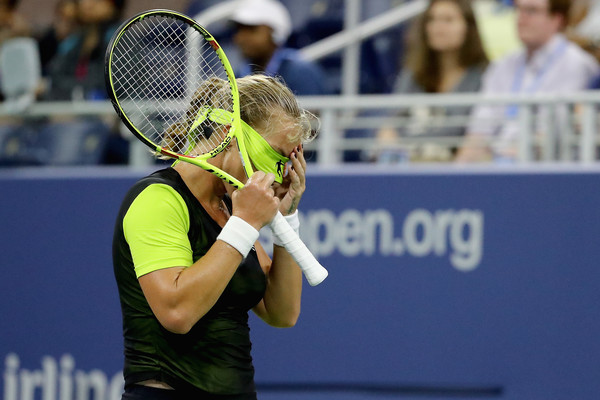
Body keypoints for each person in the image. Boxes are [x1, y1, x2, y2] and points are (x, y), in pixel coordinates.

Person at [113, 74, 316, 399]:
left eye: (288, 161)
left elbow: (282, 313)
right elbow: (177, 313)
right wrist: (245, 223)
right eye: (276, 155)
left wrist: (288, 215)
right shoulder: (157, 199)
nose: (282, 173)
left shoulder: (230, 209)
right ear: (229, 135)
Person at [457, 0, 600, 162]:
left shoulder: (577, 65)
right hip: (496, 166)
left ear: (557, 19)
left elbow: (552, 136)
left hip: (544, 172)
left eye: (532, 11)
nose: (521, 18)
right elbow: (478, 132)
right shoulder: (502, 65)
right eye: (518, 10)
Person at [375, 0, 489, 163]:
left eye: (448, 20)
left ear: (468, 27)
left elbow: (479, 137)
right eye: (432, 19)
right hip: (405, 168)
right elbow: (390, 126)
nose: (438, 27)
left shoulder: (484, 77)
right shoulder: (412, 74)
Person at [229, 0, 329, 95]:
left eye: (251, 29)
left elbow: (311, 112)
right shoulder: (238, 74)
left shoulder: (301, 72)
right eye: (239, 30)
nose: (240, 37)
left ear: (275, 33)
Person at [43, 0, 125, 101]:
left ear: (112, 6)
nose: (85, 3)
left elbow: (103, 84)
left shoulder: (121, 39)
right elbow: (55, 75)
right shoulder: (76, 40)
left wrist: (61, 86)